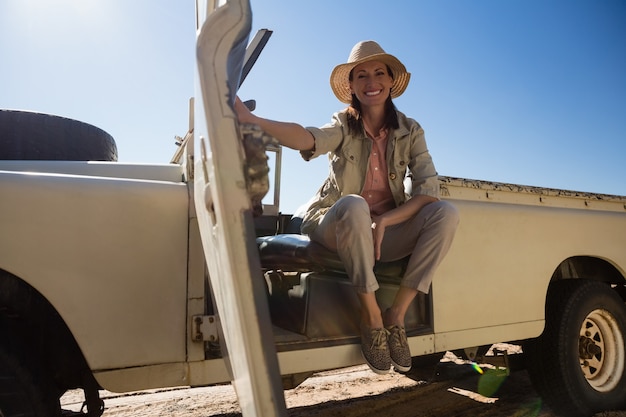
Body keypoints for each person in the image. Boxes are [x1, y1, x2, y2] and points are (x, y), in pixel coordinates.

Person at [235, 40, 459, 375]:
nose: (372, 82)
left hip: (381, 234)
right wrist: (252, 119)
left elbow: (428, 190)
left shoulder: (411, 130)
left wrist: (385, 221)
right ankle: (370, 318)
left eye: (379, 73)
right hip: (336, 227)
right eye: (362, 75)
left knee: (446, 213)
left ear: (390, 81)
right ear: (352, 86)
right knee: (354, 205)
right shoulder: (343, 123)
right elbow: (308, 138)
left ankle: (394, 317)